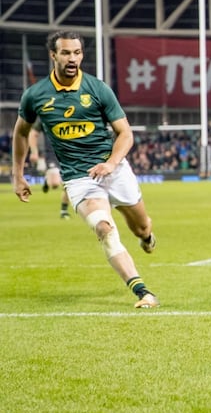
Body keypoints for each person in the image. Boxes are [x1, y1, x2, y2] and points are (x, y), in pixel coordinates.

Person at [11, 30, 159, 308]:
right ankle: (142, 291)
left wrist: (111, 163)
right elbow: (21, 133)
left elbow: (125, 134)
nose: (72, 58)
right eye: (66, 52)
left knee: (141, 227)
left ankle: (148, 238)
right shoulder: (36, 95)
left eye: (77, 53)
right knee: (104, 228)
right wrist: (17, 175)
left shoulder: (98, 89)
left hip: (113, 169)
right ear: (53, 55)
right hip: (79, 178)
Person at [28, 125, 71, 219]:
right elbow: (33, 133)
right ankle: (48, 179)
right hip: (52, 154)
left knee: (68, 185)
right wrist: (34, 152)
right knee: (55, 184)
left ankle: (64, 211)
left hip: (69, 154)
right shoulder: (45, 112)